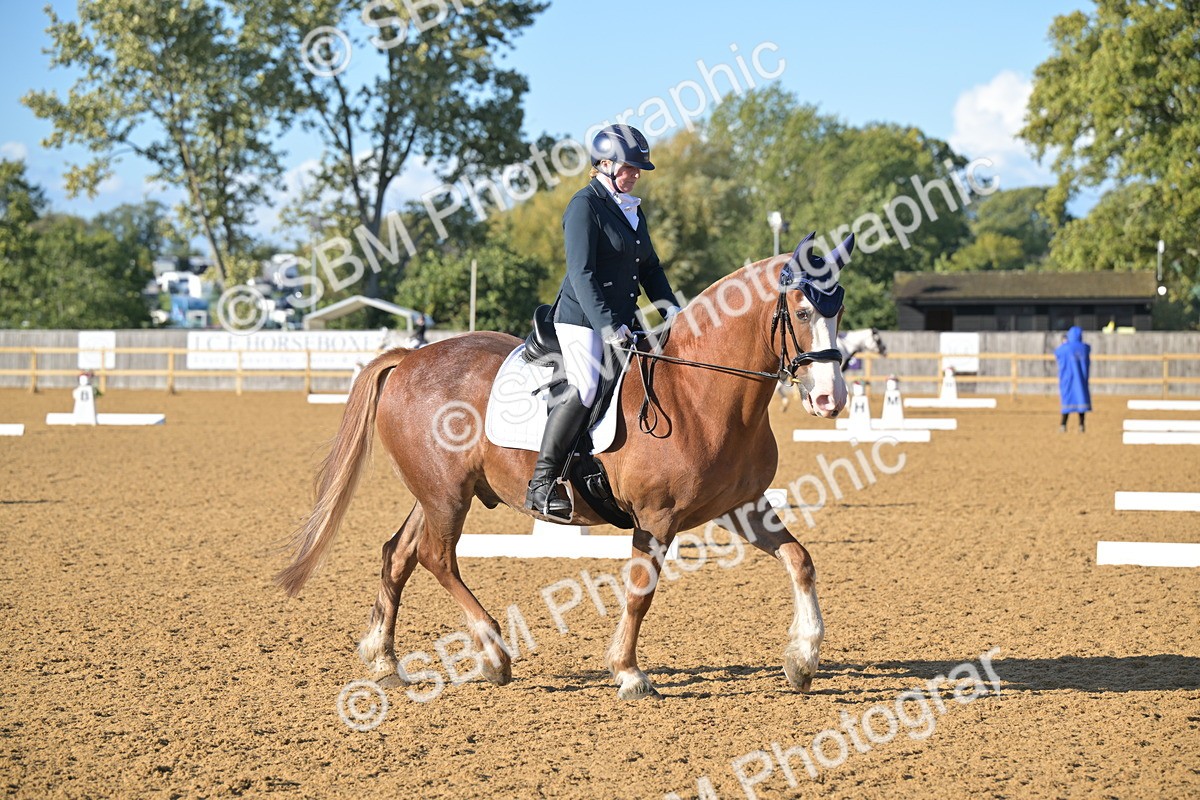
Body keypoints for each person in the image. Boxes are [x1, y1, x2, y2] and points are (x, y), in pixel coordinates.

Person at [525, 124, 682, 520]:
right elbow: (582, 273)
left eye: (638, 169)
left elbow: (649, 268)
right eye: (630, 168)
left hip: (622, 319)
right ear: (605, 164)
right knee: (586, 383)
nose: (636, 174)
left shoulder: (632, 209)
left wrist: (675, 313)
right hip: (582, 320)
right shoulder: (584, 206)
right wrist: (608, 325)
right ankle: (542, 482)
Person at [1055, 325, 1091, 432]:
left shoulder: (1065, 348)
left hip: (1068, 379)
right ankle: (1081, 425)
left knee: (1067, 401)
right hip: (1080, 380)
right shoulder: (1084, 348)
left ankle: (1063, 425)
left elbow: (1057, 353)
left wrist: (1065, 343)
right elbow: (1088, 348)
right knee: (1081, 401)